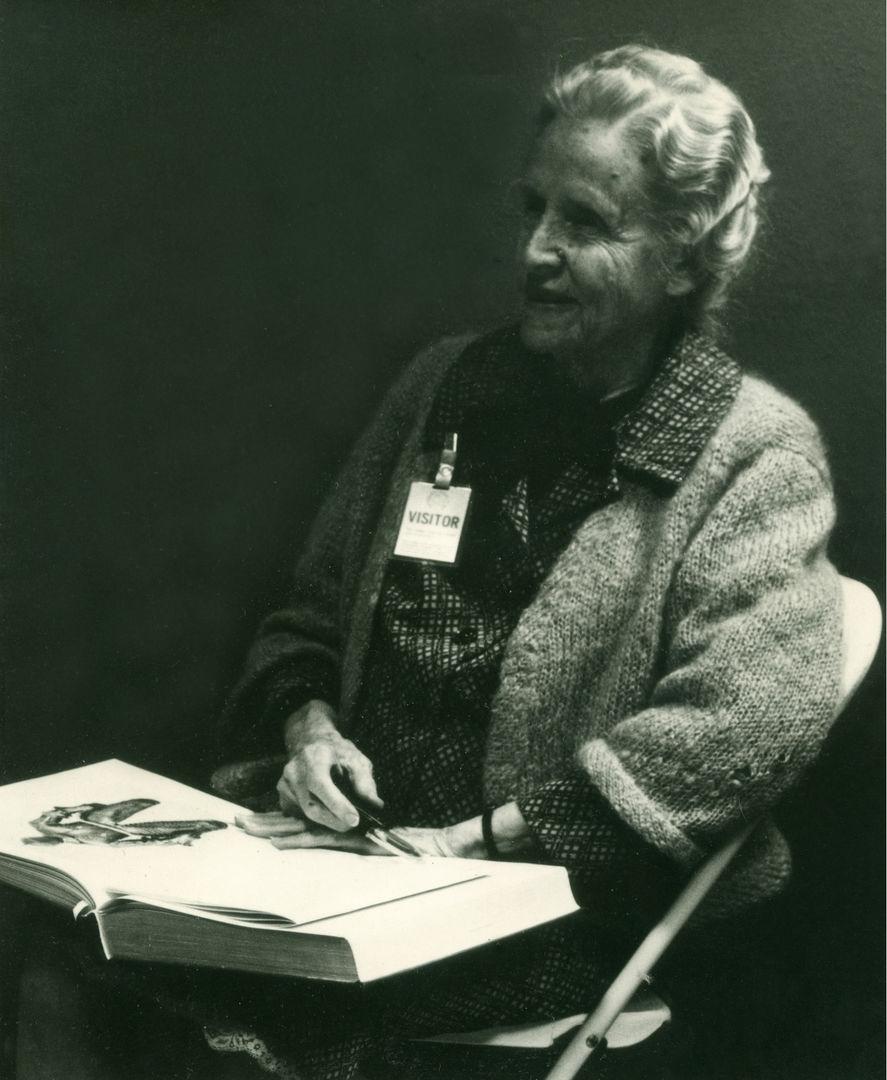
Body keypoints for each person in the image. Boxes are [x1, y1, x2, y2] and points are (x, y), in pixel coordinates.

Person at [17, 44, 842, 1080]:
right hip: (339, 870)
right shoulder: (446, 386)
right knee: (57, 957)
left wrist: (479, 842)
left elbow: (737, 731)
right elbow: (306, 623)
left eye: (584, 224)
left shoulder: (749, 453)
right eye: (531, 208)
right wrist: (306, 731)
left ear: (683, 256)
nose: (534, 251)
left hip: (536, 919)